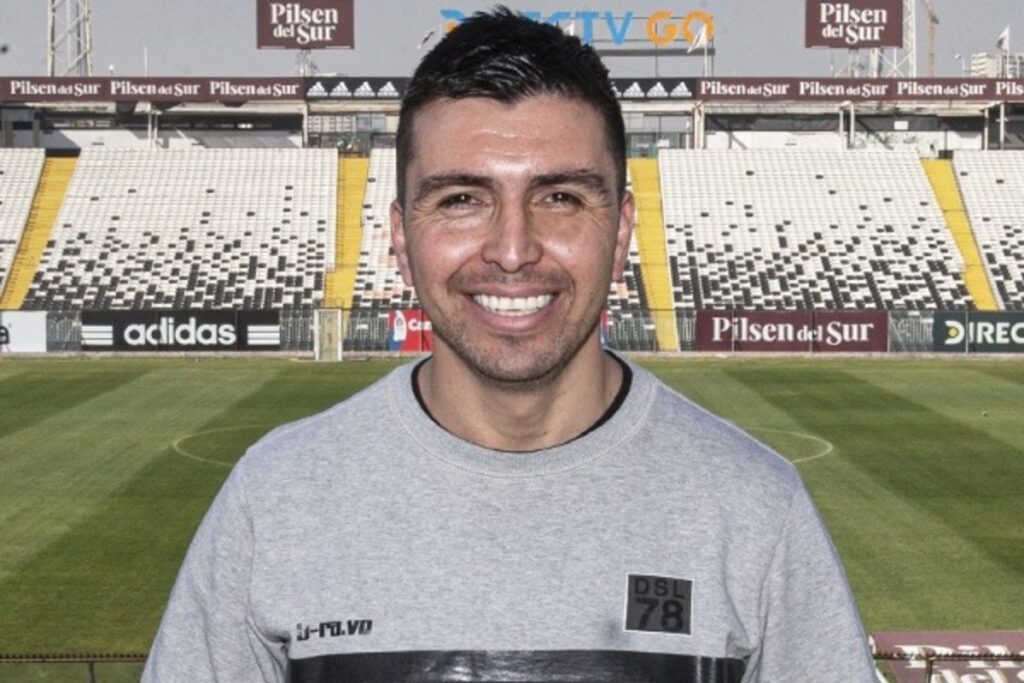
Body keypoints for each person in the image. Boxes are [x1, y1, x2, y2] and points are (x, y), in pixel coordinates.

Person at [143, 8, 876, 682]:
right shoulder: (275, 500)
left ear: (621, 233)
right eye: (462, 199)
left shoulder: (755, 509)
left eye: (560, 197)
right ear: (401, 235)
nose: (513, 250)